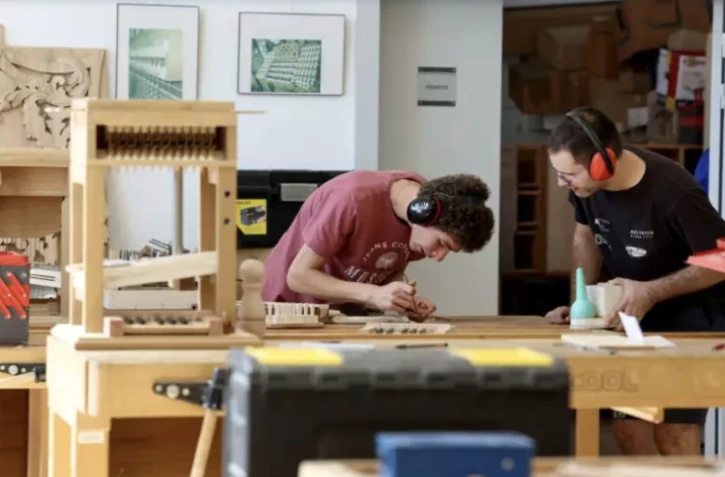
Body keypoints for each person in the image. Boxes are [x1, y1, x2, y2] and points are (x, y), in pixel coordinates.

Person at [544, 107, 725, 456]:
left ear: (603, 162)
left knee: (673, 433)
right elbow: (585, 237)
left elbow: (720, 260)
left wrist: (651, 291)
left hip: (692, 319)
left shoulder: (675, 192)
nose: (561, 183)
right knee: (628, 429)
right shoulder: (587, 189)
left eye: (568, 176)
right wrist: (580, 302)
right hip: (636, 317)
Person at [261, 170, 495, 321]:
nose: (439, 256)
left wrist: (401, 299)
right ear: (422, 212)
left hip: (338, 316)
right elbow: (299, 276)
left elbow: (389, 264)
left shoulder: (423, 222)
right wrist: (373, 295)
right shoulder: (352, 199)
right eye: (442, 243)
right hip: (288, 309)